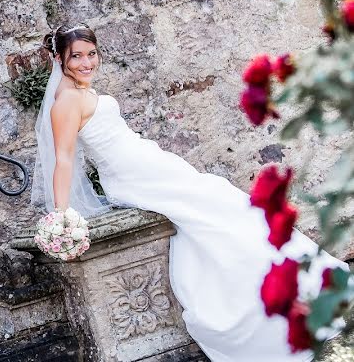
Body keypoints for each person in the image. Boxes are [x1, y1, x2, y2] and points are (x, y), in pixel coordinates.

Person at [31, 23, 344, 362]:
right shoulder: (65, 102)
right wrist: (61, 213)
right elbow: (63, 157)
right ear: (59, 59)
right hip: (133, 177)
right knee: (223, 206)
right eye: (76, 56)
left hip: (149, 163)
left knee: (225, 202)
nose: (87, 62)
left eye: (91, 54)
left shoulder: (81, 89)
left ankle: (304, 283)